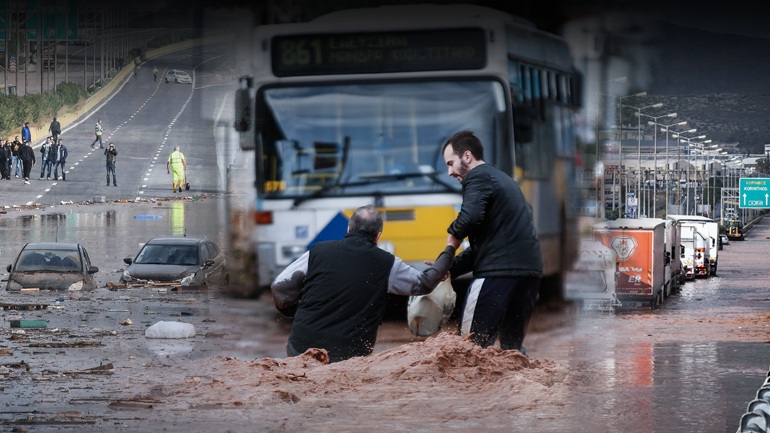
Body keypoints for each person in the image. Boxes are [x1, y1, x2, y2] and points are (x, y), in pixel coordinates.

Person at [271, 204, 456, 363]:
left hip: (300, 348)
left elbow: (279, 287)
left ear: (349, 229)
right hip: (351, 356)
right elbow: (424, 284)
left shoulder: (317, 252)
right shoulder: (387, 264)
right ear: (378, 235)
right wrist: (449, 251)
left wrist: (294, 313)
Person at [442, 130, 542, 355]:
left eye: (450, 163)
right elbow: (489, 245)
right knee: (511, 351)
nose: (449, 172)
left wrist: (451, 240)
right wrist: (450, 268)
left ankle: (468, 391)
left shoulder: (477, 177)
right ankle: (518, 388)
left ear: (467, 157)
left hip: (497, 275)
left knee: (468, 350)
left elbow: (470, 217)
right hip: (528, 274)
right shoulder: (503, 179)